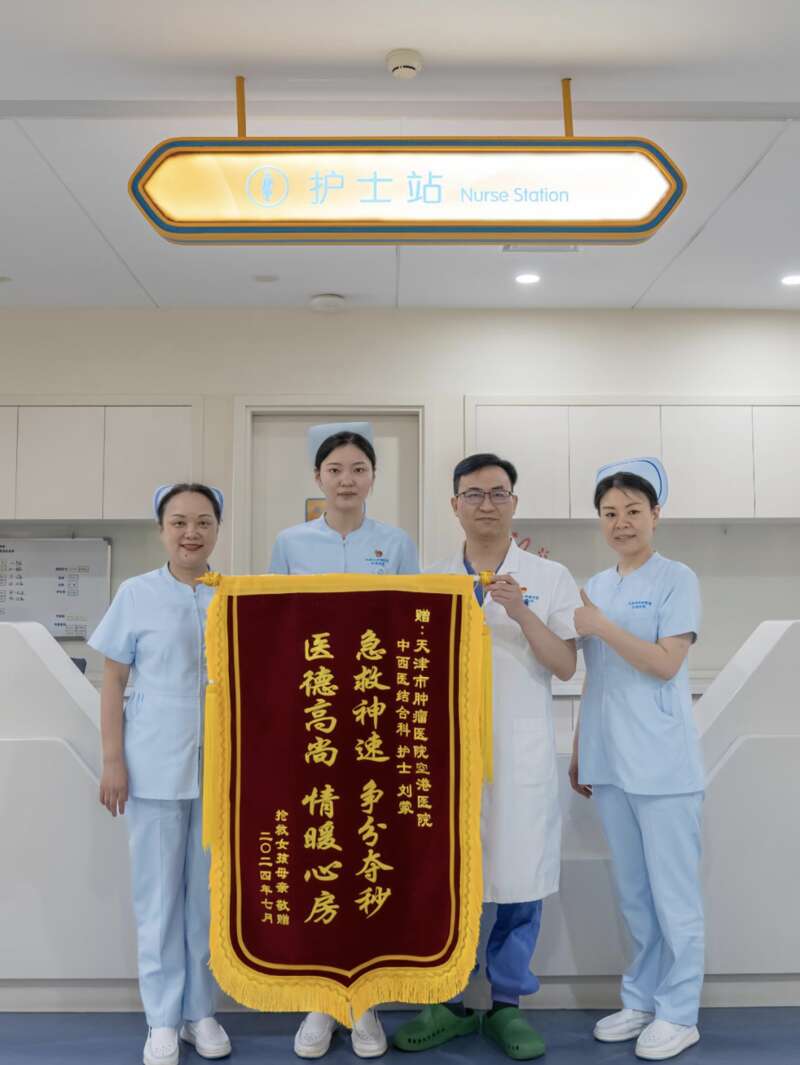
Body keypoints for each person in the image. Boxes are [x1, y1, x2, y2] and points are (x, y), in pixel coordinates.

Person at [393, 452, 580, 1062]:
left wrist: (520, 611)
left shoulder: (549, 577)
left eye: (499, 493)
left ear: (514, 503)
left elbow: (565, 665)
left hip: (519, 752)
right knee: (447, 877)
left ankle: (506, 1006)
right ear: (455, 506)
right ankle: (446, 1001)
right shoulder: (431, 580)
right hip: (446, 755)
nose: (487, 505)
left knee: (520, 877)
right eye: (473, 494)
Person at [269, 422, 419, 1059]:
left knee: (371, 853)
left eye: (358, 468)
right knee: (317, 855)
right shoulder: (290, 543)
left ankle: (366, 1004)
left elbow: (416, 623)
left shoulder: (397, 542)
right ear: (317, 478)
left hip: (375, 718)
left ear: (373, 477)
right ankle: (320, 1001)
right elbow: (271, 626)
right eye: (335, 469)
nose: (347, 480)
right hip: (313, 721)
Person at [89, 483, 231, 1065]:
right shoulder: (136, 594)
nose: (191, 533)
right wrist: (113, 760)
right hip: (151, 765)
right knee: (158, 899)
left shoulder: (232, 596)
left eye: (203, 522)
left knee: (206, 900)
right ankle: (162, 1020)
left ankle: (201, 1013)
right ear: (161, 529)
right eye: (179, 522)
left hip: (219, 772)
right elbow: (113, 680)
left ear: (217, 529)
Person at [569, 457, 704, 1061]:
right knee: (633, 894)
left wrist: (600, 626)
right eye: (609, 513)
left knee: (674, 896)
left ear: (655, 515)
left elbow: (666, 663)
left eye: (632, 511)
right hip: (609, 761)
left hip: (662, 763)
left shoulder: (677, 578)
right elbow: (593, 677)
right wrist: (580, 749)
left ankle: (680, 1012)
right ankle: (641, 999)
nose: (621, 522)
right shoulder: (597, 586)